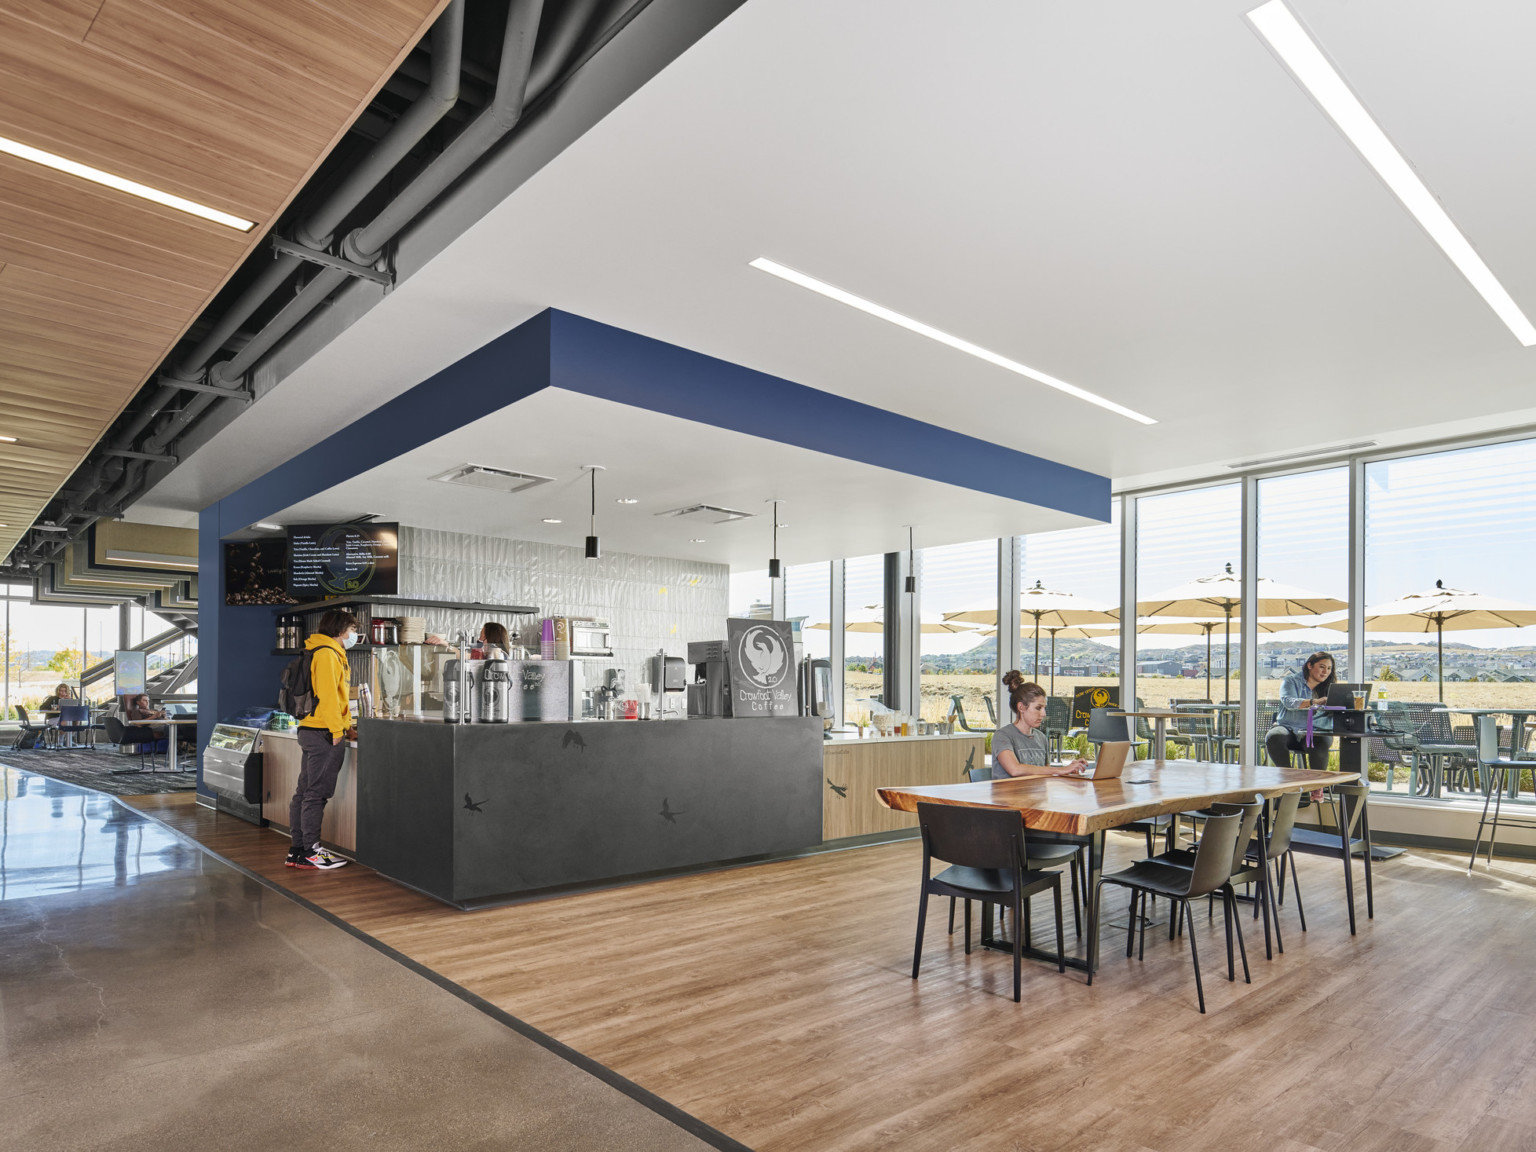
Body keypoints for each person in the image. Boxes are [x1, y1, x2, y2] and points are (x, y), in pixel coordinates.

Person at [286, 609, 357, 871]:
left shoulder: (320, 650)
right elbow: (328, 696)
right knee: (316, 794)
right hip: (323, 733)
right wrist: (338, 731)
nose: (353, 634)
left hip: (312, 729)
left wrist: (345, 727)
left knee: (304, 792)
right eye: (351, 629)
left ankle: (297, 850)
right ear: (340, 630)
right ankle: (311, 851)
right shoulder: (328, 654)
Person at [992, 670, 1088, 778]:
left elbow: (1046, 772)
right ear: (1021, 707)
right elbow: (1015, 769)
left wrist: (1069, 770)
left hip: (1036, 794)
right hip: (1009, 795)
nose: (1043, 714)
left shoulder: (1041, 737)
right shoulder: (1002, 736)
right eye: (1038, 708)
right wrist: (1061, 769)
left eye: (1044, 708)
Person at [1266, 650, 1337, 780]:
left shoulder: (1331, 688)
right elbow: (1289, 702)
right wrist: (1314, 702)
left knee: (1321, 741)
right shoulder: (1290, 681)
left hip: (1315, 731)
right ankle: (1288, 780)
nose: (1325, 672)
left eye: (1329, 668)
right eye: (1322, 667)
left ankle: (1317, 786)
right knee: (1274, 736)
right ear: (1310, 665)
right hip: (1288, 729)